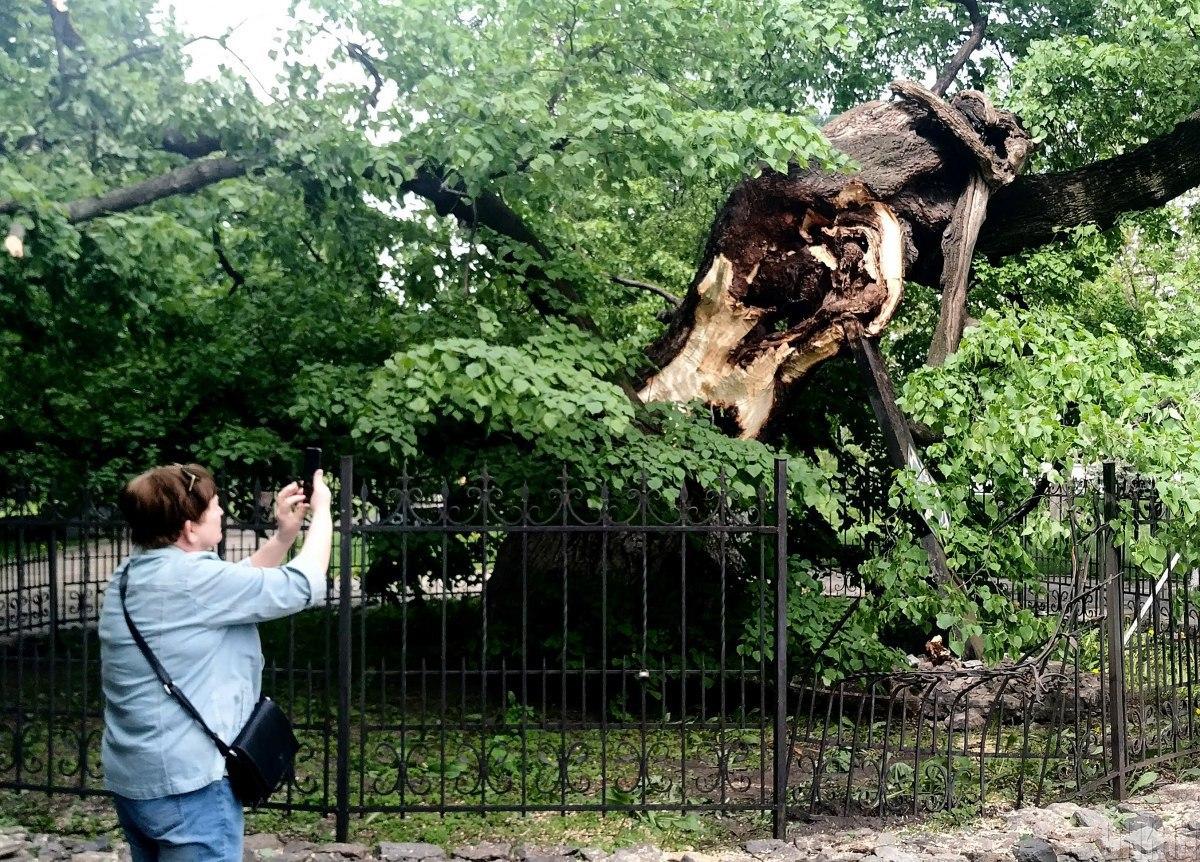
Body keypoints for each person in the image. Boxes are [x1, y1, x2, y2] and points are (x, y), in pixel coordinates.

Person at [99, 463, 332, 862]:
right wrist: (324, 513)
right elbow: (304, 583)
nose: (222, 512)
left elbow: (232, 585)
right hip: (189, 789)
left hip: (135, 781)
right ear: (190, 528)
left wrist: (283, 537)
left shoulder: (129, 576)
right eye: (215, 506)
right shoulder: (192, 580)